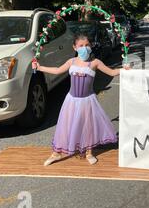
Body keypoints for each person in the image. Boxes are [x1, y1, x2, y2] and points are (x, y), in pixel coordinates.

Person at [32, 32, 129, 166]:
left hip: (87, 100)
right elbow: (57, 70)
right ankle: (56, 153)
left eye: (87, 45)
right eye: (81, 45)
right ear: (75, 47)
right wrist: (40, 67)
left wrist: (124, 69)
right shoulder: (71, 61)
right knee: (66, 125)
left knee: (87, 126)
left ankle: (89, 152)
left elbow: (112, 72)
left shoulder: (95, 62)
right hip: (71, 100)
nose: (85, 48)